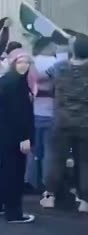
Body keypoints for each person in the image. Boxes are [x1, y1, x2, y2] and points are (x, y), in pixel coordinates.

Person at [0, 49, 36, 224]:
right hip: (16, 134)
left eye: (27, 62)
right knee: (14, 172)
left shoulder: (8, 80)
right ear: (14, 63)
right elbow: (18, 113)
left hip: (6, 132)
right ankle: (13, 212)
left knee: (5, 169)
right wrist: (25, 136)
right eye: (21, 62)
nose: (24, 65)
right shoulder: (17, 83)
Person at [40, 36, 88, 213]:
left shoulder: (60, 67)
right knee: (84, 162)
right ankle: (84, 201)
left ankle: (50, 196)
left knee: (56, 159)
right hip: (85, 123)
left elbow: (41, 78)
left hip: (61, 120)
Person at [24, 38, 60, 192]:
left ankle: (30, 181)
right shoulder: (56, 63)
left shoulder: (30, 63)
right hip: (51, 113)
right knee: (49, 152)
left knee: (32, 150)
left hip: (32, 113)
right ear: (49, 46)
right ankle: (48, 185)